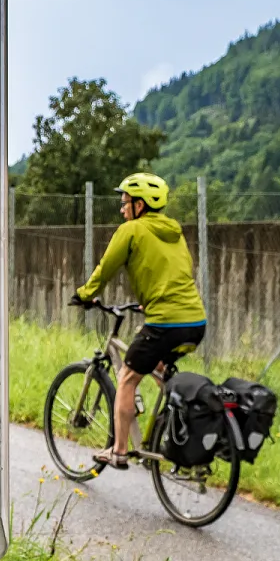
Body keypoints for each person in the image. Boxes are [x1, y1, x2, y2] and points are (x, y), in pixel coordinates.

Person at [70, 173, 206, 469]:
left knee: (128, 377)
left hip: (165, 323)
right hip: (195, 321)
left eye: (125, 202)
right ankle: (178, 425)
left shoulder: (131, 230)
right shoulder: (175, 232)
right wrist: (151, 300)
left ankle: (118, 451)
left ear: (140, 205)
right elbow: (177, 272)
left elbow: (104, 270)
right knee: (158, 368)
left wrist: (84, 295)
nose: (122, 209)